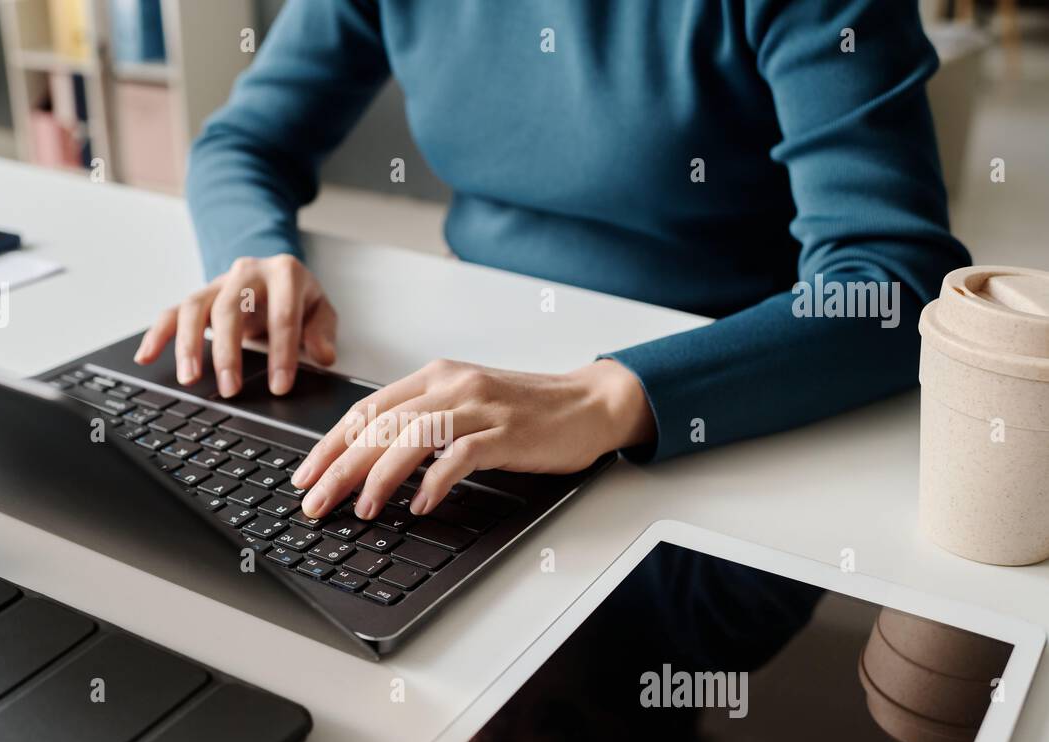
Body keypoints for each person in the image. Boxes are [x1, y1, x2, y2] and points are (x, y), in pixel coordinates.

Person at [135, 0, 969, 523]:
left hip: (730, 398)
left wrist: (606, 396)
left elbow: (891, 280)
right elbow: (245, 139)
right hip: (464, 350)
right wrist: (257, 253)